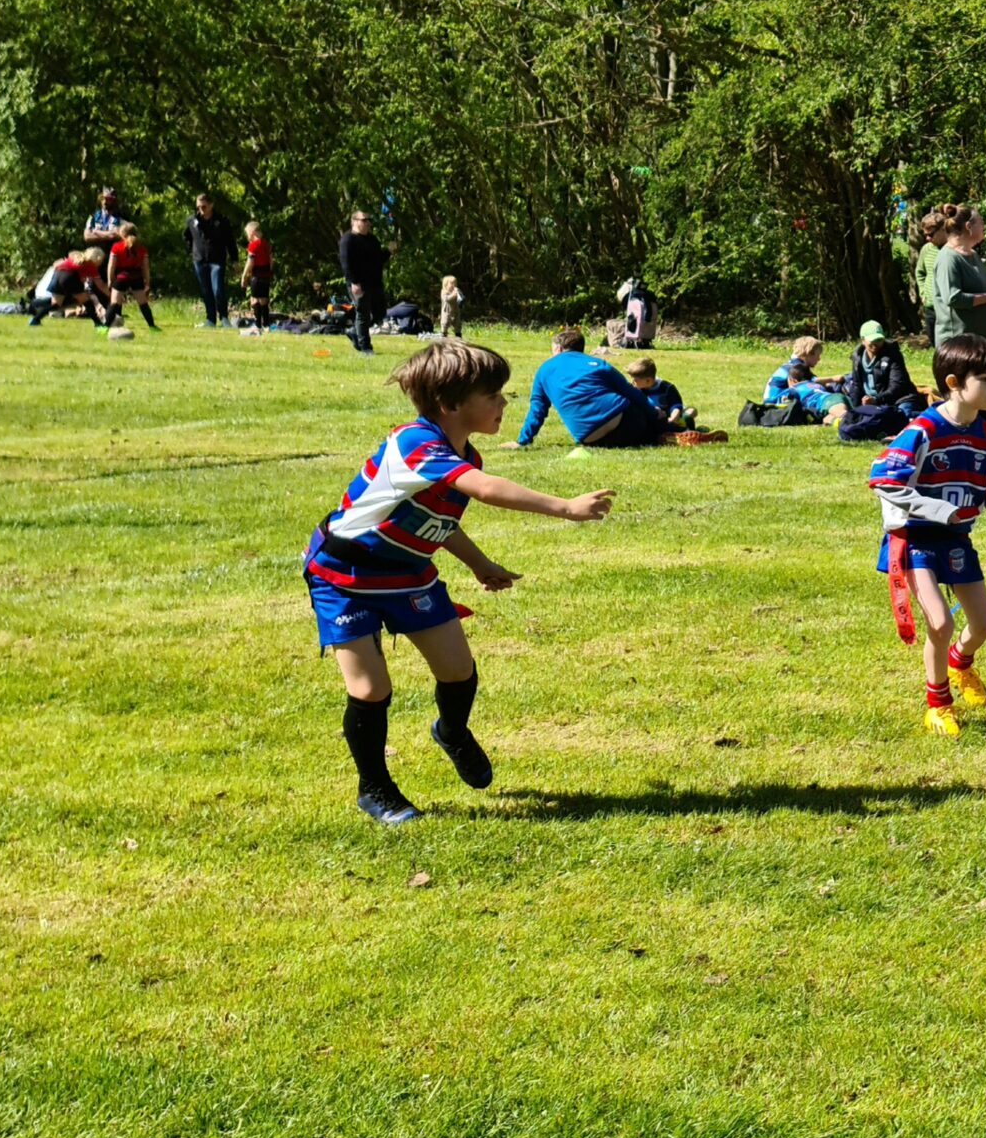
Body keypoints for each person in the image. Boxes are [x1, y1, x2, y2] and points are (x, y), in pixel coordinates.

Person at [303, 339, 614, 823]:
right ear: (450, 404)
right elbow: (485, 491)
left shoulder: (463, 453)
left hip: (409, 576)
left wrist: (478, 563)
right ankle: (375, 788)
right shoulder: (415, 443)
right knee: (370, 689)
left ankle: (451, 731)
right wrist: (565, 507)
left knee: (457, 670)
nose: (503, 404)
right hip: (346, 576)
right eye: (492, 395)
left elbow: (438, 520)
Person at [869, 335, 986, 737]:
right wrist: (939, 510)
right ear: (955, 382)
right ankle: (938, 704)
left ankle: (960, 662)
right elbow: (884, 481)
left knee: (985, 623)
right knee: (939, 624)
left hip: (956, 542)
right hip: (915, 541)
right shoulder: (922, 430)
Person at [514, 329, 721, 448]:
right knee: (643, 417)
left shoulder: (543, 371)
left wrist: (523, 441)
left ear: (558, 349)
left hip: (590, 438)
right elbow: (632, 393)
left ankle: (666, 436)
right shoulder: (599, 364)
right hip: (626, 423)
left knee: (636, 436)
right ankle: (674, 431)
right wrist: (655, 414)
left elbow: (537, 410)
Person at [929, 205, 986, 345]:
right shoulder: (948, 258)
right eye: (981, 222)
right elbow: (953, 298)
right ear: (969, 226)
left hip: (982, 342)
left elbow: (980, 291)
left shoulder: (973, 255)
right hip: (959, 346)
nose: (984, 227)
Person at [837, 321, 926, 442]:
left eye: (879, 340)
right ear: (863, 340)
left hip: (900, 399)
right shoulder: (857, 358)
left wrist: (876, 399)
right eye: (872, 341)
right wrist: (857, 410)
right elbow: (857, 385)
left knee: (905, 416)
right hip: (874, 403)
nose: (876, 344)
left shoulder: (893, 355)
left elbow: (897, 386)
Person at [339, 211, 388, 356]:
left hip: (375, 282)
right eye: (364, 220)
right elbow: (346, 263)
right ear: (354, 221)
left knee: (380, 313)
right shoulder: (348, 240)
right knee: (363, 313)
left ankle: (355, 331)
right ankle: (366, 347)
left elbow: (378, 260)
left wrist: (389, 252)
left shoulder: (372, 239)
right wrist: (354, 282)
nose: (368, 223)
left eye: (369, 220)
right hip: (358, 283)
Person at [28, 248, 113, 327]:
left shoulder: (76, 257)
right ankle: (98, 324)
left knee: (56, 304)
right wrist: (110, 296)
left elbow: (58, 265)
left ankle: (35, 319)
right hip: (70, 277)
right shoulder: (90, 265)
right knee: (87, 302)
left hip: (57, 275)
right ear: (97, 259)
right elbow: (100, 285)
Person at [186, 194, 234, 328]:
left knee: (218, 289)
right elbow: (187, 237)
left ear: (211, 205)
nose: (201, 209)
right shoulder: (192, 221)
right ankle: (210, 319)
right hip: (199, 260)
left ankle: (224, 318)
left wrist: (234, 259)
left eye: (204, 206)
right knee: (205, 290)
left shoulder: (222, 221)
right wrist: (192, 251)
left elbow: (230, 241)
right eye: (198, 207)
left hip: (217, 260)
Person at [106, 223, 158, 331]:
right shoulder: (142, 248)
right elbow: (146, 267)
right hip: (136, 277)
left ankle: (105, 327)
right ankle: (152, 326)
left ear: (123, 234)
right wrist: (147, 282)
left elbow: (111, 265)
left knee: (114, 303)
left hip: (121, 277)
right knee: (143, 303)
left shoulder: (117, 246)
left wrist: (110, 280)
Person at [913, 208, 950, 345]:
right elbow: (920, 272)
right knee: (936, 346)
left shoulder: (953, 249)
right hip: (931, 308)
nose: (928, 238)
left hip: (948, 309)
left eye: (931, 234)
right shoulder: (926, 249)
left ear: (943, 229)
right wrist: (923, 292)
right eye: (925, 235)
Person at [625, 358, 693, 430]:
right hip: (649, 419)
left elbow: (676, 405)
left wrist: (673, 417)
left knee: (685, 418)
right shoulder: (635, 389)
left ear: (648, 381)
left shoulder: (667, 388)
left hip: (667, 419)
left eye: (635, 380)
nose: (632, 382)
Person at [240, 220, 274, 333]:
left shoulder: (253, 245)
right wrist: (270, 272)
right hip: (266, 275)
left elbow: (250, 262)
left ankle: (257, 323)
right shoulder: (267, 244)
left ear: (252, 232)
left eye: (247, 233)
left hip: (256, 275)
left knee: (254, 299)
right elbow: (271, 260)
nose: (247, 236)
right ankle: (266, 324)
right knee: (264, 299)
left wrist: (244, 276)